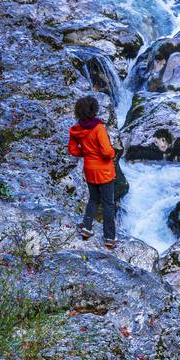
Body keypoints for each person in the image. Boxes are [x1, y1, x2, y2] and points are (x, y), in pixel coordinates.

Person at [68, 95, 118, 248]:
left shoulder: (76, 129)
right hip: (104, 171)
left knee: (93, 199)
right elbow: (107, 152)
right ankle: (109, 238)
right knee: (108, 204)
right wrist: (113, 153)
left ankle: (86, 228)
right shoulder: (98, 128)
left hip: (89, 169)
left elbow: (72, 150)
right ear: (94, 110)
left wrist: (87, 153)